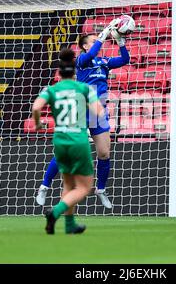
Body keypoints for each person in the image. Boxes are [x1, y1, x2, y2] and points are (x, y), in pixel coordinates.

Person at [36, 18, 130, 209]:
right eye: (93, 40)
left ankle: (101, 190)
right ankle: (44, 186)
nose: (97, 43)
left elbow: (125, 60)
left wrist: (120, 42)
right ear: (85, 46)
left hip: (99, 111)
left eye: (98, 39)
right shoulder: (80, 61)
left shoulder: (104, 62)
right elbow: (92, 53)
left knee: (104, 153)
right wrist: (103, 36)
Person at [32, 48, 105, 235]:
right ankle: (55, 212)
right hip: (78, 141)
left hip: (60, 141)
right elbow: (99, 112)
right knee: (84, 187)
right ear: (75, 73)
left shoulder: (52, 89)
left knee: (69, 185)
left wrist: (39, 124)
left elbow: (36, 107)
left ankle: (69, 224)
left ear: (59, 73)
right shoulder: (83, 88)